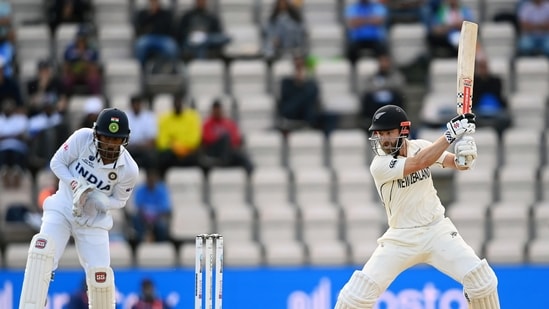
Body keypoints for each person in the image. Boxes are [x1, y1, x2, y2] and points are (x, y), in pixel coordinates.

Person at [334, 105, 501, 308]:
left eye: (388, 132)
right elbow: (420, 162)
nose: (383, 139)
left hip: (437, 230)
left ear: (403, 130)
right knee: (353, 298)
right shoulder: (379, 165)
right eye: (380, 133)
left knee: (482, 282)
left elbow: (455, 163)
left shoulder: (420, 146)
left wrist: (465, 157)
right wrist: (450, 134)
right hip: (400, 238)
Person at [18, 108, 139, 309]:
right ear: (96, 134)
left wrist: (102, 201)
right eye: (106, 137)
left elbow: (120, 200)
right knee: (42, 252)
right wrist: (75, 185)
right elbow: (56, 163)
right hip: (63, 208)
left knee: (100, 276)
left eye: (116, 140)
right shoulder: (82, 139)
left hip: (94, 221)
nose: (110, 144)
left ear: (124, 140)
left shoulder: (129, 169)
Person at [156, 93, 203, 179]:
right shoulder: (165, 119)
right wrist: (178, 146)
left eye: (179, 103)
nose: (178, 105)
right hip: (172, 154)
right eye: (176, 103)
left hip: (188, 154)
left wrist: (176, 143)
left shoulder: (192, 117)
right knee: (160, 159)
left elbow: (195, 140)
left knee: (201, 159)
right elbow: (162, 142)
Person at [201, 100, 254, 174]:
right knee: (225, 137)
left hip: (229, 151)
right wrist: (220, 138)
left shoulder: (229, 123)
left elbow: (236, 139)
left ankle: (250, 174)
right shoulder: (207, 124)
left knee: (243, 157)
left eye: (218, 109)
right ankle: (224, 160)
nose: (217, 112)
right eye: (215, 110)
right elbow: (207, 139)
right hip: (214, 151)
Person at [359, 54, 406, 131]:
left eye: (386, 62)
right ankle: (368, 120)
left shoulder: (395, 75)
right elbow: (368, 87)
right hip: (376, 100)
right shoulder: (373, 76)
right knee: (368, 97)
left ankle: (397, 118)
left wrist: (384, 88)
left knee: (398, 97)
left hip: (391, 98)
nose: (384, 64)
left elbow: (398, 86)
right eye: (382, 62)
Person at [472, 57, 512, 136]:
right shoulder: (474, 82)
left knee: (505, 119)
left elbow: (499, 95)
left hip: (496, 110)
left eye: (484, 67)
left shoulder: (496, 81)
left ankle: (499, 137)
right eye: (481, 67)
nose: (483, 69)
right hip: (478, 111)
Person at [130, 168, 171, 243]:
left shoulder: (162, 189)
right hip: (143, 216)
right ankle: (140, 243)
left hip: (158, 216)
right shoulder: (140, 189)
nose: (151, 181)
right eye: (149, 179)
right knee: (136, 219)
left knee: (162, 225)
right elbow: (138, 205)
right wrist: (146, 215)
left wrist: (154, 216)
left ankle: (160, 244)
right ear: (146, 179)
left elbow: (165, 207)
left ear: (156, 179)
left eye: (153, 179)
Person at [134, 0, 179, 67]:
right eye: (152, 2)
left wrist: (153, 25)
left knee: (172, 47)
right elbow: (140, 28)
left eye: (155, 2)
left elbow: (168, 27)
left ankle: (171, 67)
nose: (154, 3)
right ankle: (141, 68)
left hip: (163, 38)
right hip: (148, 38)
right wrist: (151, 14)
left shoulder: (166, 14)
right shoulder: (143, 13)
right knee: (140, 44)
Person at [61, 24, 103, 95]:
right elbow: (66, 64)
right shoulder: (70, 48)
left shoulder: (92, 48)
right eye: (80, 38)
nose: (82, 40)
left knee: (94, 79)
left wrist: (85, 61)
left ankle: (95, 98)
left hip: (87, 73)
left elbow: (95, 65)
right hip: (73, 72)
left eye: (84, 38)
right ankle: (65, 98)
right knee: (66, 80)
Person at [344, 0, 389, 64]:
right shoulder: (352, 8)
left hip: (375, 39)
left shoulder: (377, 7)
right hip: (357, 40)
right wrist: (370, 19)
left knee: (383, 52)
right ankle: (352, 71)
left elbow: (379, 21)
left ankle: (383, 72)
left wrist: (360, 20)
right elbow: (352, 23)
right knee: (351, 51)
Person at [125, 94, 158, 169]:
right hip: (129, 148)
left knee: (152, 157)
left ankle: (150, 178)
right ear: (131, 105)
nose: (136, 106)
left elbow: (152, 140)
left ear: (141, 104)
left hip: (144, 149)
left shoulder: (149, 116)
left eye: (138, 104)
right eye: (134, 104)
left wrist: (140, 146)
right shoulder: (125, 116)